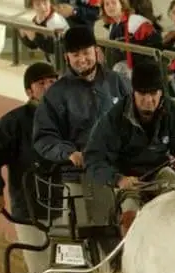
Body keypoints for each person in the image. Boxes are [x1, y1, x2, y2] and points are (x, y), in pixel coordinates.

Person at [83, 62, 175, 234]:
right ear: (133, 92)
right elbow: (93, 158)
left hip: (161, 173)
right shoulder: (114, 118)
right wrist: (118, 179)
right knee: (130, 217)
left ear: (161, 92)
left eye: (154, 93)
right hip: (128, 179)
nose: (149, 100)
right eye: (142, 94)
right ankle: (124, 256)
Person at [32, 25, 131, 228]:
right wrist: (70, 153)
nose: (81, 59)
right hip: (82, 175)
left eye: (86, 52)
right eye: (75, 54)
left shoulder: (118, 83)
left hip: (123, 170)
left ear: (96, 51)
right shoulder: (56, 94)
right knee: (100, 230)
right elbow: (44, 138)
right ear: (67, 57)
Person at [0, 62, 59, 273]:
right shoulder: (15, 122)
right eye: (41, 84)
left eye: (52, 82)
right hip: (31, 211)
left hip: (67, 208)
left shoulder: (70, 118)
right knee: (42, 272)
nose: (49, 87)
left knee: (75, 270)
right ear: (29, 91)